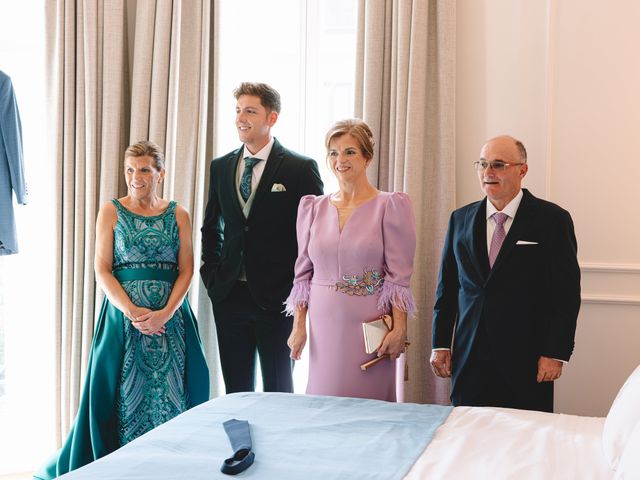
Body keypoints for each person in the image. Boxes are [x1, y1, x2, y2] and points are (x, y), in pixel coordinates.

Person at [35, 141, 209, 479]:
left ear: (161, 173)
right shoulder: (111, 210)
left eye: (144, 169)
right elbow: (102, 268)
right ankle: (126, 466)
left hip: (171, 319)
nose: (136, 177)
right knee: (125, 393)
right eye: (130, 170)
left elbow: (187, 270)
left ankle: (171, 464)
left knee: (173, 390)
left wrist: (167, 312)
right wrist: (130, 310)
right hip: (123, 317)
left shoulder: (179, 213)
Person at [430, 135, 580, 412]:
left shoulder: (553, 220)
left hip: (527, 357)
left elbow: (565, 295)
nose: (488, 173)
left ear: (522, 170)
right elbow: (447, 289)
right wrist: (440, 344)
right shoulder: (459, 219)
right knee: (468, 437)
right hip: (469, 357)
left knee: (526, 439)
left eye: (498, 164)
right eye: (483, 164)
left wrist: (555, 353)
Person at [200, 82, 324, 394]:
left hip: (278, 299)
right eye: (238, 110)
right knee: (236, 392)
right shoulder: (220, 167)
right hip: (229, 296)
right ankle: (241, 446)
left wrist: (299, 290)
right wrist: (213, 278)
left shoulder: (300, 168)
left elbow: (314, 236)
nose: (241, 118)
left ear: (272, 118)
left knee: (279, 391)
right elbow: (211, 227)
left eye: (250, 111)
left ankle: (279, 444)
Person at [285, 118, 416, 402]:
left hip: (369, 324)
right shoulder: (312, 207)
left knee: (370, 407)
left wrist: (399, 329)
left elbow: (399, 277)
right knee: (324, 402)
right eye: (333, 152)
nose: (340, 160)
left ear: (367, 157)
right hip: (323, 324)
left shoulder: (390, 206)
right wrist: (298, 327)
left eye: (349, 152)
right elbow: (302, 276)